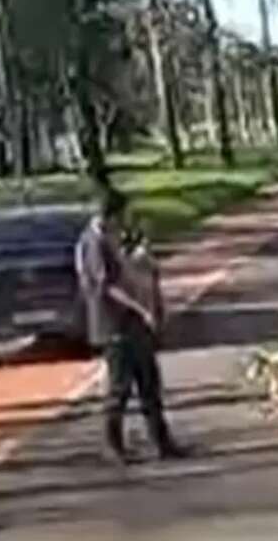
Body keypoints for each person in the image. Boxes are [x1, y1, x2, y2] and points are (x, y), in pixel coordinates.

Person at [76, 191, 186, 463]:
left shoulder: (114, 237)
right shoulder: (93, 243)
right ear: (110, 214)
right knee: (120, 387)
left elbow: (131, 269)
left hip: (133, 322)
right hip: (113, 323)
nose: (124, 220)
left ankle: (162, 441)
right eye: (121, 215)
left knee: (149, 382)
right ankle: (112, 446)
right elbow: (107, 286)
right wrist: (142, 308)